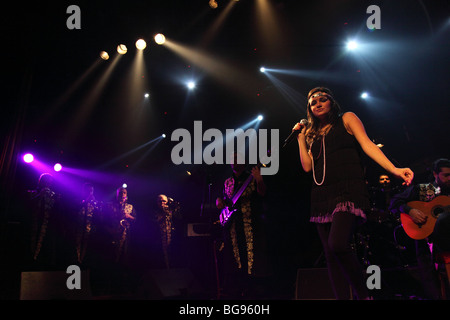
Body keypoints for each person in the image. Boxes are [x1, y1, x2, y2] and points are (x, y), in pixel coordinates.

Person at [293, 86, 413, 300]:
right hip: (321, 195)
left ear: (332, 102)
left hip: (348, 188)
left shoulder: (346, 118)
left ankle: (364, 295)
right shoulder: (312, 134)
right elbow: (307, 167)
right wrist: (301, 139)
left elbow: (367, 144)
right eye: (313, 102)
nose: (318, 104)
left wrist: (393, 169)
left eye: (322, 99)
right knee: (330, 256)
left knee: (337, 243)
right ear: (309, 110)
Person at [389, 158, 450, 299]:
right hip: (427, 246)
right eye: (446, 175)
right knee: (433, 287)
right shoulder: (425, 190)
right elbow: (394, 202)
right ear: (435, 174)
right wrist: (410, 211)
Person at [215, 152, 271, 298]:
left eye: (236, 158)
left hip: (251, 224)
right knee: (234, 260)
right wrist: (219, 203)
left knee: (252, 259)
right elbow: (223, 201)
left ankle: (253, 290)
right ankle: (237, 289)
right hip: (232, 226)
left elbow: (262, 193)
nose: (233, 160)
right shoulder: (227, 181)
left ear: (244, 161)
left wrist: (259, 180)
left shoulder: (251, 177)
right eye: (231, 158)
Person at [26, 173, 63, 269]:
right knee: (31, 241)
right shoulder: (33, 192)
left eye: (49, 183)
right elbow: (28, 204)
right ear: (41, 182)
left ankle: (42, 263)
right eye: (46, 183)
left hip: (47, 223)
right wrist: (40, 194)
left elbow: (56, 211)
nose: (48, 185)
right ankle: (31, 261)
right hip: (33, 221)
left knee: (46, 244)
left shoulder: (52, 194)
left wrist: (57, 200)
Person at [151, 194, 183, 269]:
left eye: (164, 201)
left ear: (167, 202)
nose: (162, 203)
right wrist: (163, 215)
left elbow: (180, 218)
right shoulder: (154, 211)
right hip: (158, 238)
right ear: (157, 202)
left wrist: (173, 211)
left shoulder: (171, 210)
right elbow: (152, 222)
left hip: (172, 237)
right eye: (160, 201)